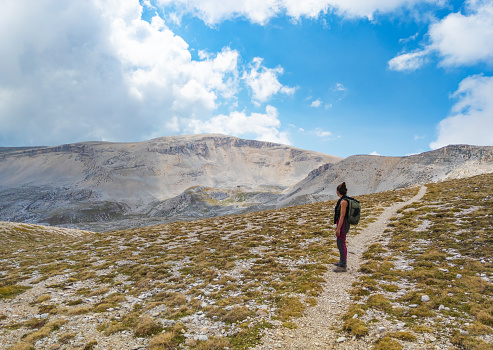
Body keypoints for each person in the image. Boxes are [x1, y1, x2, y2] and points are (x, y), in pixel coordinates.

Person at [333, 182, 350, 272]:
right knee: (341, 242)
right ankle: (342, 261)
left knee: (340, 243)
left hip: (343, 224)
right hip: (343, 223)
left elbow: (342, 216)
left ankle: (343, 266)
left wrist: (338, 228)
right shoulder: (344, 199)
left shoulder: (343, 202)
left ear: (338, 191)